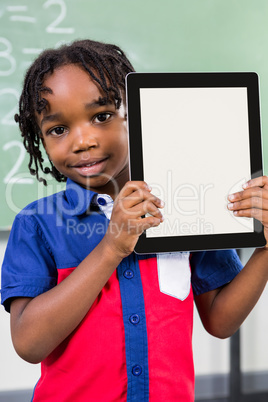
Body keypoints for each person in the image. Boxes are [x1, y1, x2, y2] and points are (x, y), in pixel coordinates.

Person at [1, 39, 268, 402]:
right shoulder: (37, 224)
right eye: (58, 129)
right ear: (42, 139)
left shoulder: (186, 205)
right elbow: (29, 343)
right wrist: (111, 247)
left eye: (101, 116)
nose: (83, 140)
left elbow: (220, 321)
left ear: (137, 115)